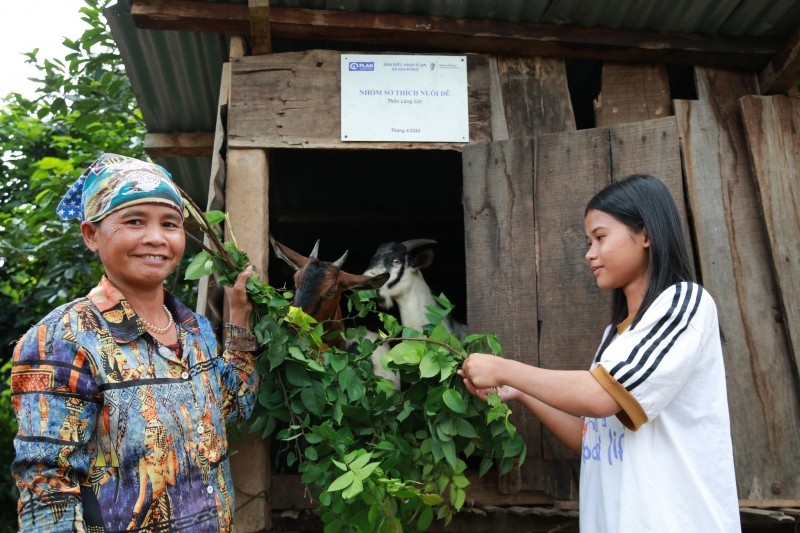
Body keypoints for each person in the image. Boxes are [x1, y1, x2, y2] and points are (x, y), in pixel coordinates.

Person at [459, 174, 740, 532]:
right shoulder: (615, 336)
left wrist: (505, 369)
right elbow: (594, 439)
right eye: (588, 241)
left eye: (600, 237)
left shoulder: (684, 303)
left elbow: (599, 398)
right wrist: (521, 393)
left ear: (646, 235)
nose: (589, 253)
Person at [10, 153, 261, 532]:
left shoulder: (194, 330)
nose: (156, 238)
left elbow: (233, 405)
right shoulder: (62, 339)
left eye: (170, 224)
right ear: (91, 235)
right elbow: (48, 491)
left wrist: (239, 315)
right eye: (134, 221)